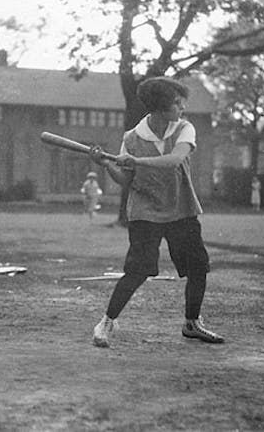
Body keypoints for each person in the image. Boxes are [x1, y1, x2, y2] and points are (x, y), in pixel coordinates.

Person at [88, 77, 223, 348]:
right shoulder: (132, 138)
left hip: (180, 209)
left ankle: (192, 323)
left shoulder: (185, 128)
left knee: (198, 267)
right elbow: (125, 180)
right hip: (145, 211)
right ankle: (107, 322)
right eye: (176, 103)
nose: (182, 107)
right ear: (160, 108)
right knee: (137, 270)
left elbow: (174, 160)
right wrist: (105, 164)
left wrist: (135, 161)